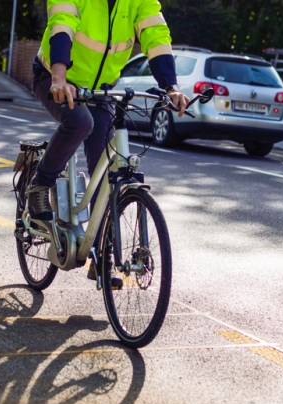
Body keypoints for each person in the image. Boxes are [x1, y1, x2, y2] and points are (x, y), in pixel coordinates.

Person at [27, 0, 189, 244]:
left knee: (104, 170)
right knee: (81, 123)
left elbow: (155, 35)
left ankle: (101, 253)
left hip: (100, 91)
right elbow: (62, 24)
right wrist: (59, 77)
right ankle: (40, 184)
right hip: (55, 77)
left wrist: (170, 86)